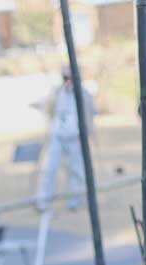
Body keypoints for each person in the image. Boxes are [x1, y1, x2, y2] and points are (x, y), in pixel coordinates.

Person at [35, 65, 95, 212]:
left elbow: (90, 115)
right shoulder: (56, 92)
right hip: (57, 137)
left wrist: (88, 134)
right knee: (49, 169)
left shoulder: (84, 94)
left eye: (70, 78)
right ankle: (43, 200)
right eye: (65, 78)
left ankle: (75, 200)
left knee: (76, 170)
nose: (68, 81)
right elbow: (47, 108)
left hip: (76, 138)